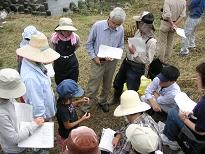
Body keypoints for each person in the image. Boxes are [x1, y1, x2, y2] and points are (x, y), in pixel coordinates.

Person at [16, 33, 60, 154]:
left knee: (44, 135)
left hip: (45, 110)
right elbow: (36, 103)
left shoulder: (32, 62)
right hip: (41, 116)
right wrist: (41, 121)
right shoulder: (31, 78)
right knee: (40, 142)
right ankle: (40, 149)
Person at [84, 7, 126, 113]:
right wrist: (94, 57)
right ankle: (86, 107)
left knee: (107, 84)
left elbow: (121, 45)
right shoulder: (98, 26)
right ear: (109, 18)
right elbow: (89, 44)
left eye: (118, 25)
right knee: (93, 85)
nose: (115, 26)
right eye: (114, 23)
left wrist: (116, 54)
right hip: (98, 61)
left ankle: (102, 101)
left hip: (112, 62)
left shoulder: (120, 29)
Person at [109, 11, 157, 105]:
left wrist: (135, 53)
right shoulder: (138, 32)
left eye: (139, 22)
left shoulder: (152, 41)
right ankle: (116, 98)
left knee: (132, 89)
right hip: (127, 62)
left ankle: (130, 106)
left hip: (137, 67)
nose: (137, 24)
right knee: (118, 81)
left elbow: (148, 60)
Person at [161, 62, 205, 151]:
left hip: (199, 138)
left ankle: (170, 139)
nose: (196, 79)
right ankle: (169, 132)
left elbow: (201, 132)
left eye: (198, 77)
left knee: (173, 112)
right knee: (178, 109)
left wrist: (184, 119)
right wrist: (192, 112)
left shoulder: (203, 105)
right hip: (200, 122)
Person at [0, 68, 44, 154]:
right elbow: (14, 139)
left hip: (22, 136)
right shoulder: (1, 114)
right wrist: (34, 124)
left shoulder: (6, 97)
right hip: (14, 150)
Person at [55, 79, 91, 151]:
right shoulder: (63, 111)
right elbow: (68, 126)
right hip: (67, 134)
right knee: (69, 148)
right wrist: (82, 119)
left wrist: (80, 101)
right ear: (68, 96)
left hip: (72, 131)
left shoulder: (65, 101)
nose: (75, 97)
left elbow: (70, 106)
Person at [51, 17, 80, 85]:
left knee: (73, 78)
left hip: (71, 61)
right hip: (59, 60)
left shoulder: (76, 37)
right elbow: (53, 48)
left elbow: (77, 46)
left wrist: (68, 54)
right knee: (59, 79)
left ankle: (71, 93)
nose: (67, 32)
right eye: (65, 30)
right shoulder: (54, 38)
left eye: (69, 30)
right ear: (60, 29)